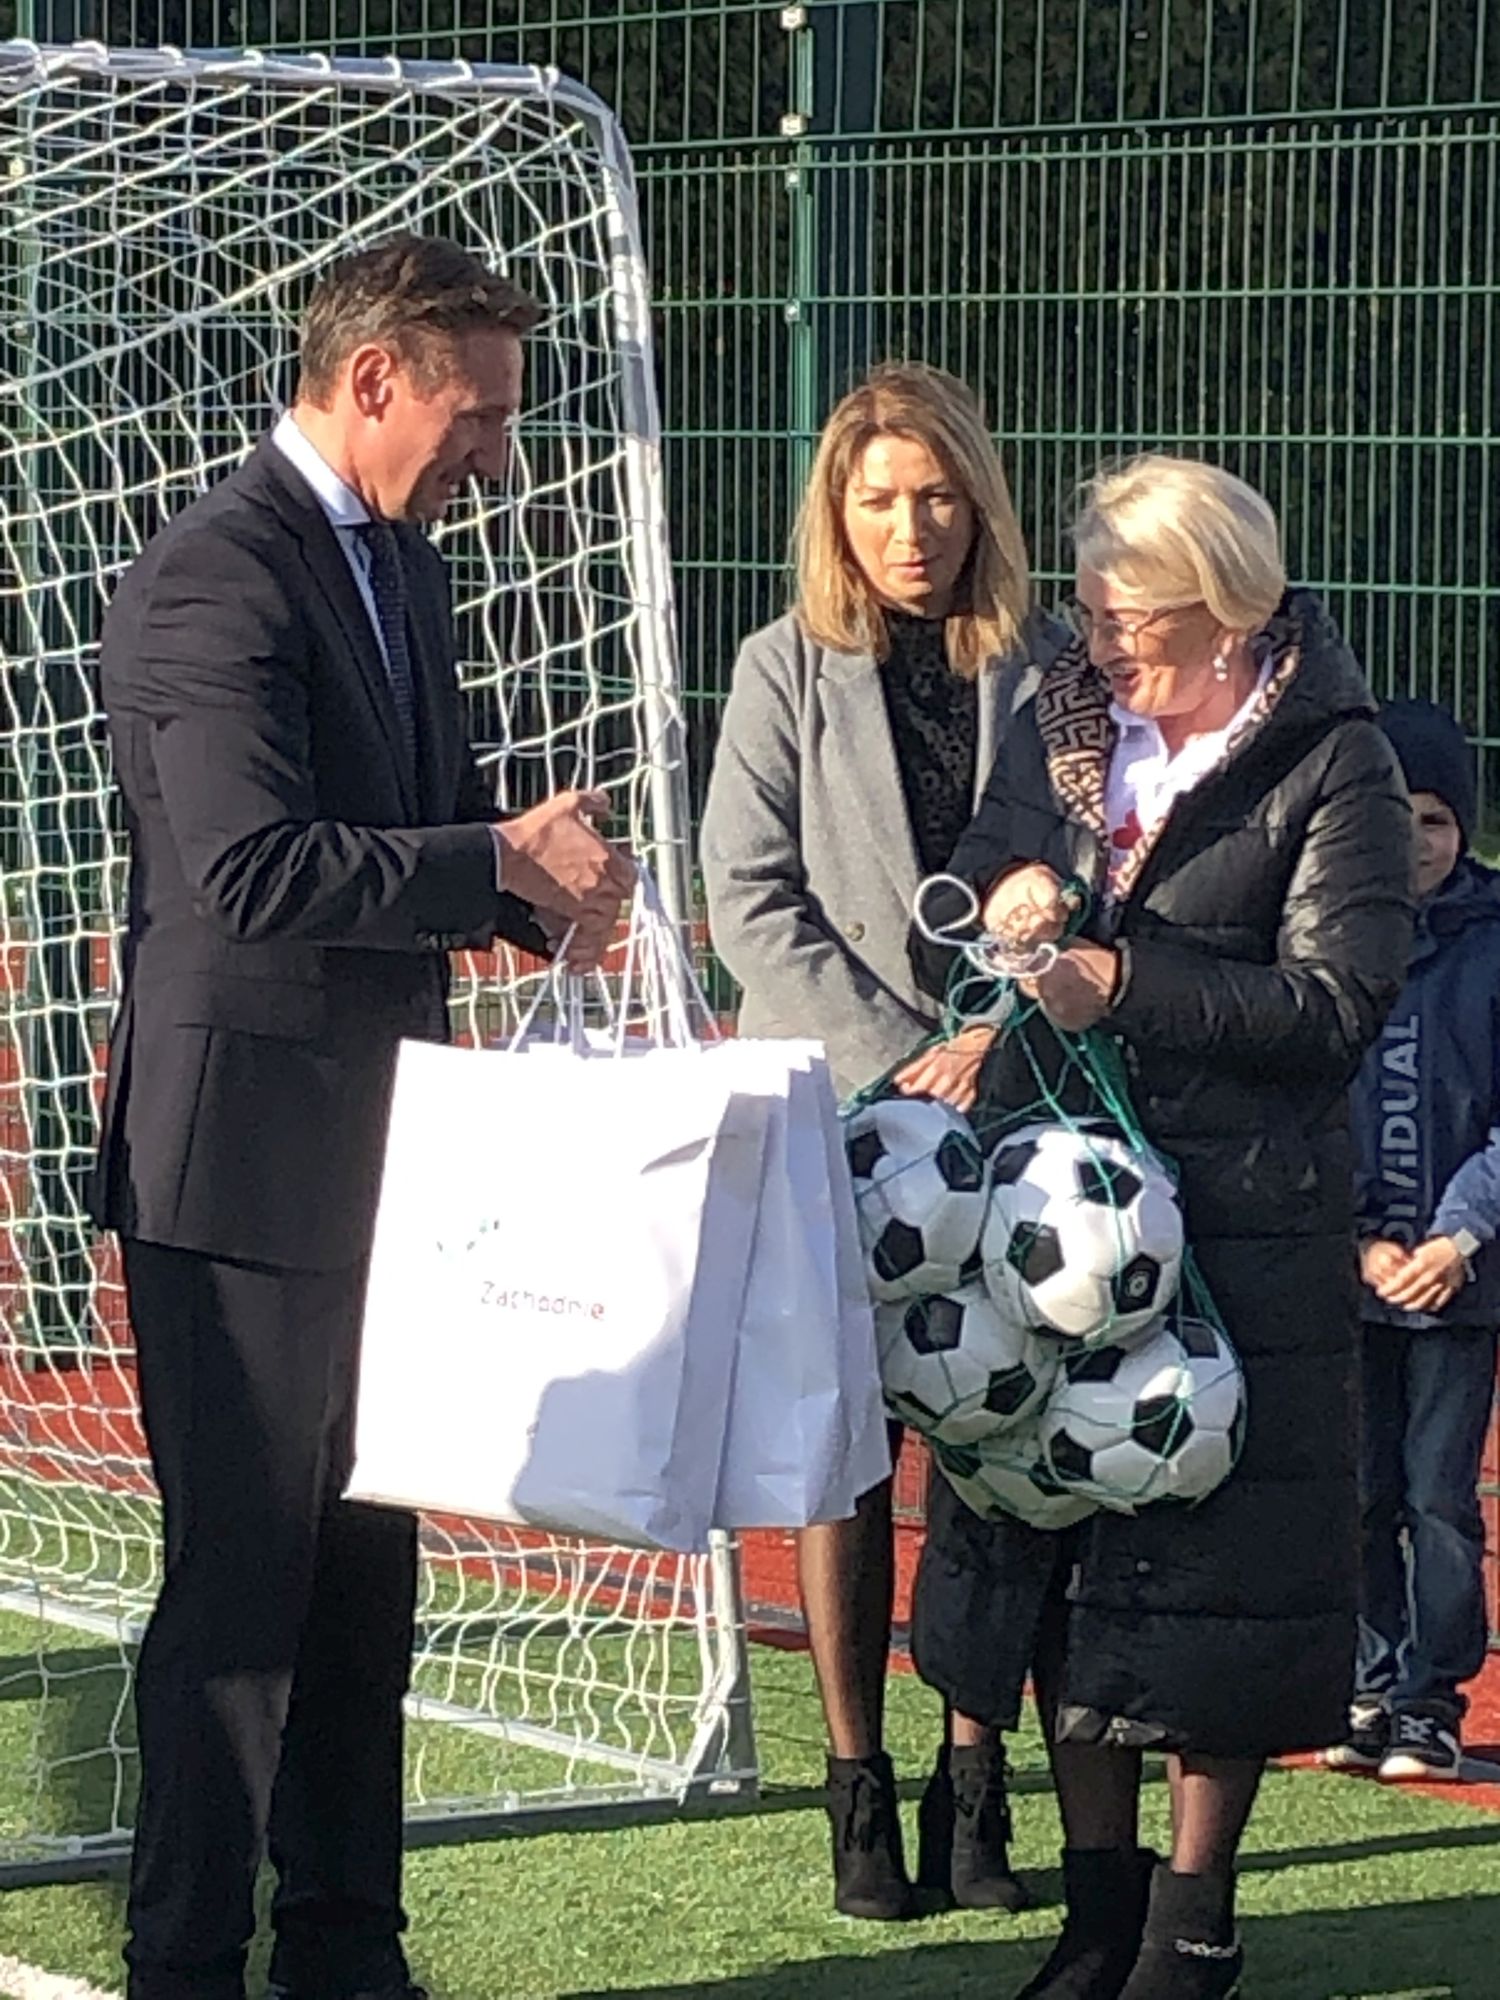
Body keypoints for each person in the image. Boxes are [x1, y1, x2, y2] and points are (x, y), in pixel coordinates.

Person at [91, 232, 635, 2000]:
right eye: (475, 412)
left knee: (363, 1584)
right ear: (376, 377)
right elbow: (249, 872)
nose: (495, 451)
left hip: (391, 1163)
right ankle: (185, 1964)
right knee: (242, 1599)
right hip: (239, 1171)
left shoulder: (400, 564)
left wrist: (535, 892)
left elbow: (409, 822)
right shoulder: (214, 574)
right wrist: (491, 861)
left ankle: (348, 1954)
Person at [910, 454, 1413, 1999]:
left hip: (1241, 1220)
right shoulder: (1063, 710)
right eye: (1092, 606)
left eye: (1131, 612)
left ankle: (1194, 1921)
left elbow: (1334, 1009)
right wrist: (1004, 895)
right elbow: (979, 868)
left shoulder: (1339, 760)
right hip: (1052, 1206)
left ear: (1227, 609)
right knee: (1057, 1549)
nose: (1100, 636)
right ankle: (1096, 1912)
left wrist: (1127, 983)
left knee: (1213, 1582)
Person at [700, 360, 1066, 1921]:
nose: (910, 529)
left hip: (1013, 1105)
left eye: (936, 498)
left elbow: (1090, 871)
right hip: (836, 1121)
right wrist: (903, 1066)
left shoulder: (1053, 670)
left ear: (978, 506)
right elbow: (749, 899)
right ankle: (856, 1789)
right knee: (843, 1457)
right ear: (836, 516)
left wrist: (995, 1041)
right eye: (878, 501)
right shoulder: (780, 668)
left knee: (995, 1450)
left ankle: (974, 1782)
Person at [1324, 698, 1500, 1783]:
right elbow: (1305, 1099)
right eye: (1394, 817)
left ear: (1462, 828)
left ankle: (1431, 1697)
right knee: (1357, 1492)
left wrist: (1460, 1234)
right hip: (1354, 1277)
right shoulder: (1332, 934)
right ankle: (1368, 1682)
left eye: (1434, 820)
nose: (1415, 841)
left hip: (1458, 1281)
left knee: (1438, 1497)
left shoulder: (1492, 943)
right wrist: (1353, 1238)